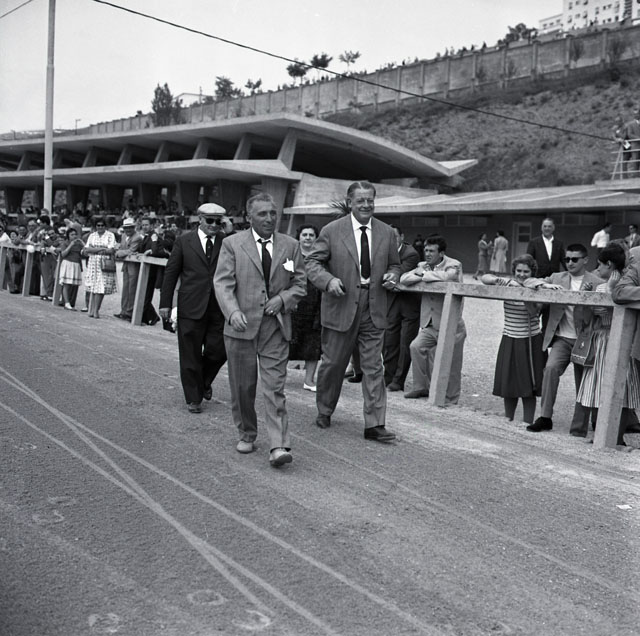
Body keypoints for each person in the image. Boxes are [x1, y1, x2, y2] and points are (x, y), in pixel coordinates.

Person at [214, 193, 306, 467]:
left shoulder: (291, 245)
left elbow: (300, 284)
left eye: (272, 213)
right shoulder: (232, 244)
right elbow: (223, 283)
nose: (269, 218)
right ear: (249, 216)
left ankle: (279, 446)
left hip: (275, 328)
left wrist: (283, 299)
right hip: (240, 327)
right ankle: (247, 433)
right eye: (262, 214)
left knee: (275, 388)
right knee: (243, 387)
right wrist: (232, 312)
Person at [305, 181, 401, 442]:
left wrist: (392, 275)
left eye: (370, 200)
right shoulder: (332, 231)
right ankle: (325, 409)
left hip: (374, 306)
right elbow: (312, 262)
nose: (366, 205)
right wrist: (328, 281)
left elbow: (395, 264)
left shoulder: (387, 232)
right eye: (360, 201)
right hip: (341, 303)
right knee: (333, 364)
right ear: (349, 203)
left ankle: (375, 424)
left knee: (374, 367)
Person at [525, 244, 604, 434]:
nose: (569, 263)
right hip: (562, 338)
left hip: (585, 340)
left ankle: (581, 427)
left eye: (574, 259)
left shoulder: (597, 282)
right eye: (567, 259)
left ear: (585, 260)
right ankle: (545, 417)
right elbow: (528, 281)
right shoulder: (556, 277)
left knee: (583, 382)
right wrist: (545, 285)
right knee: (550, 370)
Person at [160, 203, 229, 414]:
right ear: (199, 219)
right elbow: (171, 272)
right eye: (210, 220)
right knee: (190, 354)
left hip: (219, 306)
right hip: (190, 306)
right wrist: (165, 303)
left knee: (219, 350)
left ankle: (204, 381)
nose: (214, 225)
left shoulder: (227, 242)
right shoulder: (184, 241)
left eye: (218, 221)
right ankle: (193, 398)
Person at [577, 244, 640, 444]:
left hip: (621, 339)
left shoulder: (624, 285)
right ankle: (601, 434)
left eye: (600, 265)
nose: (597, 269)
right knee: (598, 387)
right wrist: (586, 299)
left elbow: (622, 314)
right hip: (601, 339)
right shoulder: (598, 287)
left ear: (609, 264)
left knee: (623, 390)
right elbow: (587, 320)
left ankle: (617, 437)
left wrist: (612, 289)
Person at [401, 234, 466, 404]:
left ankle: (451, 399)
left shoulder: (454, 264)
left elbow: (448, 277)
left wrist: (424, 275)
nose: (427, 254)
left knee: (451, 362)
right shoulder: (422, 265)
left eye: (431, 251)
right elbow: (404, 279)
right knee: (416, 347)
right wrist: (423, 273)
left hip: (451, 323)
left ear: (441, 253)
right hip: (430, 323)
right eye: (426, 250)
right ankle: (421, 387)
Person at [481, 254, 544, 424]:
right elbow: (484, 278)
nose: (522, 274)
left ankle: (527, 422)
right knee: (509, 383)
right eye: (519, 271)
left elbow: (534, 312)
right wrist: (502, 281)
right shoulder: (509, 283)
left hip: (530, 340)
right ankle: (508, 419)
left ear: (532, 272)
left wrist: (524, 292)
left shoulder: (538, 286)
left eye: (526, 271)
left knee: (529, 384)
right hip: (510, 337)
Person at [384, 225, 421, 392]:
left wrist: (388, 279)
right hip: (392, 302)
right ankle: (387, 377)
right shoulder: (384, 252)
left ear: (402, 236)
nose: (392, 240)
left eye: (395, 236)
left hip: (409, 305)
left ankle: (398, 381)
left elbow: (397, 275)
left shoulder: (411, 254)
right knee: (390, 341)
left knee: (405, 343)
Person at [289, 224, 322, 391]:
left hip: (316, 305)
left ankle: (309, 381)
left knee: (313, 343)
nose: (308, 238)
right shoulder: (291, 256)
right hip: (295, 304)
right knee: (288, 341)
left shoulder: (321, 257)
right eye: (304, 235)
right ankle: (278, 378)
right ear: (299, 237)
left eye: (311, 235)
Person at [82, 217, 117, 319]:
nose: (100, 227)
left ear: (105, 226)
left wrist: (94, 249)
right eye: (98, 225)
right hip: (93, 263)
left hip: (104, 263)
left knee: (101, 287)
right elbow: (87, 249)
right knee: (93, 286)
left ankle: (96, 310)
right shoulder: (92, 235)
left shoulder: (110, 235)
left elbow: (111, 250)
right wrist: (102, 248)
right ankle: (91, 309)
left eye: (102, 225)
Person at [114, 217, 142, 322]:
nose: (128, 229)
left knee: (132, 290)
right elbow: (123, 248)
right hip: (126, 265)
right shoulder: (123, 236)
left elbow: (131, 250)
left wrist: (118, 253)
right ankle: (123, 311)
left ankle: (129, 313)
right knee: (125, 289)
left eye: (130, 227)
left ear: (134, 227)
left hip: (134, 267)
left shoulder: (137, 237)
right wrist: (121, 251)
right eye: (126, 228)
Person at [58, 227, 84, 310]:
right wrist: (70, 245)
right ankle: (66, 302)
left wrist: (82, 242)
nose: (74, 236)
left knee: (74, 284)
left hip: (76, 264)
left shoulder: (79, 244)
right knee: (66, 284)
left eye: (75, 234)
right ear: (68, 236)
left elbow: (85, 252)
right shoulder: (65, 243)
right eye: (72, 235)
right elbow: (63, 254)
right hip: (68, 263)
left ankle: (71, 301)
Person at [622, 105, 640, 178]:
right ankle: (636, 177)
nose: (636, 115)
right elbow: (630, 134)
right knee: (636, 162)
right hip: (635, 146)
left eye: (637, 114)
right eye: (634, 114)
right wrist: (638, 138)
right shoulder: (630, 124)